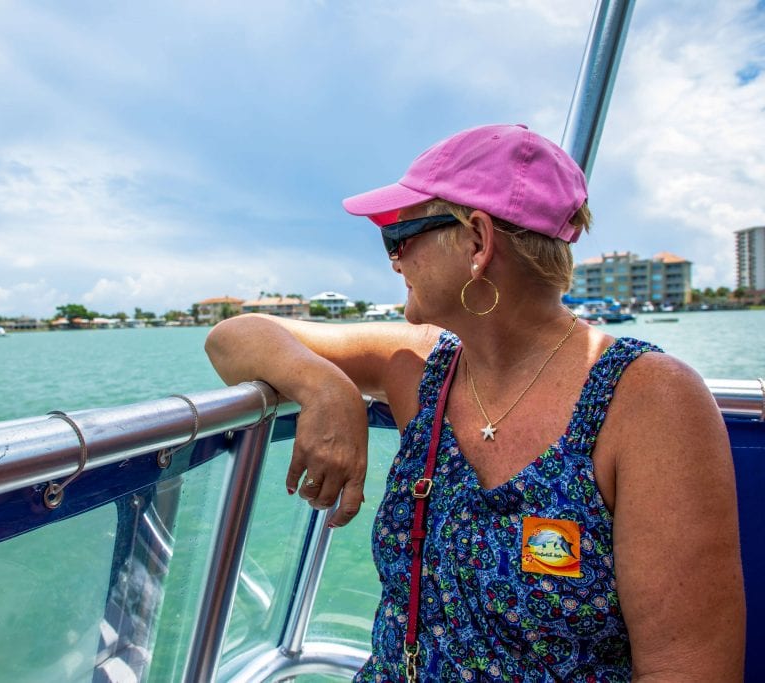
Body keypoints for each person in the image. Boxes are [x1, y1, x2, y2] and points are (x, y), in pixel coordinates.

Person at [204, 124, 745, 681]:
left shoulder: (649, 402)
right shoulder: (420, 367)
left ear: (478, 241)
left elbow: (686, 667)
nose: (394, 261)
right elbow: (235, 336)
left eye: (400, 235)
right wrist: (325, 387)